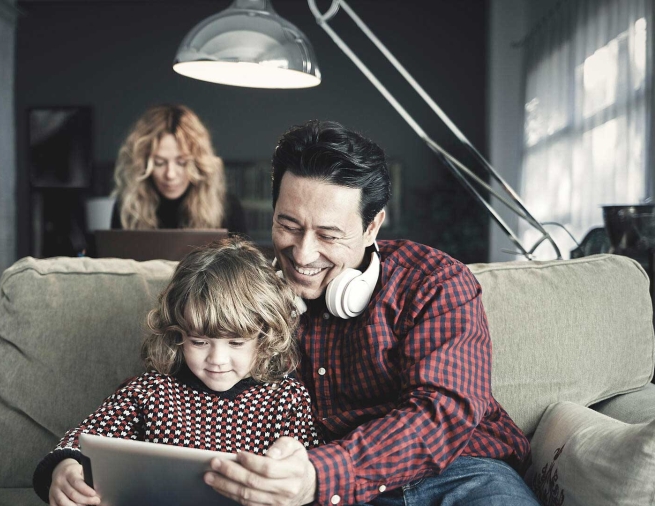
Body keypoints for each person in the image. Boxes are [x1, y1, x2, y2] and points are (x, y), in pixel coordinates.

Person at [203, 120, 539, 505]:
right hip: (334, 495)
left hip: (461, 473)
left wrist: (320, 474)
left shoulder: (435, 281)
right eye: (288, 225)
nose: (303, 253)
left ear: (371, 226)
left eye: (329, 235)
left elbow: (442, 411)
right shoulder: (247, 294)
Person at [32, 237, 320, 506]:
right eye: (199, 341)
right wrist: (65, 467)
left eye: (235, 342)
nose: (217, 359)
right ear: (177, 333)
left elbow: (305, 474)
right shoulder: (150, 391)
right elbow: (85, 436)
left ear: (264, 337)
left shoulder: (287, 399)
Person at [110, 103, 248, 236]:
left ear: (198, 163)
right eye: (159, 163)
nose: (170, 174)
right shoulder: (128, 208)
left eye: (181, 162)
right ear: (142, 165)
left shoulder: (228, 208)